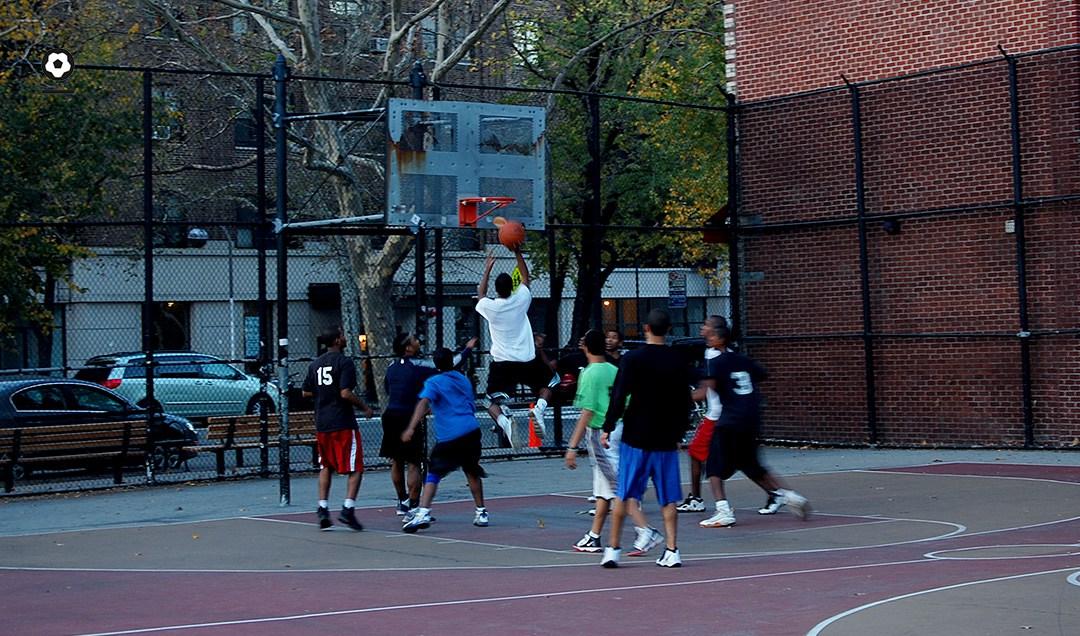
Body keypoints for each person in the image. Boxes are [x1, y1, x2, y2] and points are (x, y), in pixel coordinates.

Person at [599, 309, 693, 568]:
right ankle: (672, 550)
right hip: (665, 437)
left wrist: (608, 426)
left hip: (636, 436)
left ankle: (612, 549)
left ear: (645, 328)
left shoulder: (633, 359)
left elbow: (619, 395)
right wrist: (680, 431)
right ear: (669, 329)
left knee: (624, 493)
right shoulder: (678, 360)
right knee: (668, 496)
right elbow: (684, 402)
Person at [699, 323, 810, 528]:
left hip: (729, 420)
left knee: (713, 467)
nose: (709, 339)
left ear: (721, 339)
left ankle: (723, 511)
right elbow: (761, 374)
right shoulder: (743, 360)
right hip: (750, 419)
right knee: (751, 464)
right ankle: (790, 495)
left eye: (712, 335)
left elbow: (705, 391)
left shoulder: (716, 363)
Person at [564, 329, 655, 553]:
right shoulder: (614, 370)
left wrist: (572, 447)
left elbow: (587, 411)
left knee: (617, 487)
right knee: (603, 487)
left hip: (601, 433)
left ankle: (645, 529)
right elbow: (627, 400)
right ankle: (594, 535)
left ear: (585, 346)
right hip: (620, 427)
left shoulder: (589, 373)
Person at [381, 333, 477, 515]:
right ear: (408, 348)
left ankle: (402, 501)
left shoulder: (391, 366)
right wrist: (468, 349)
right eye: (414, 339)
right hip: (408, 415)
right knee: (414, 461)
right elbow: (450, 363)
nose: (418, 341)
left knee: (396, 459)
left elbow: (388, 388)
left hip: (391, 414)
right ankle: (414, 504)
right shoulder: (419, 364)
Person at [476, 248, 558, 447]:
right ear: (511, 287)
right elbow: (526, 278)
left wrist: (487, 270)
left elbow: (480, 294)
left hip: (503, 363)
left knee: (489, 402)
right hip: (527, 359)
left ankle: (504, 422)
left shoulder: (490, 307)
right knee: (549, 384)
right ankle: (539, 408)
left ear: (497, 290)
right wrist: (517, 252)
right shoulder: (521, 299)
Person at [400, 347, 489, 533]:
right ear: (452, 361)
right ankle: (481, 512)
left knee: (433, 473)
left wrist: (411, 427)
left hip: (451, 434)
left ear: (435, 363)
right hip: (471, 429)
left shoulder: (434, 382)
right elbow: (463, 403)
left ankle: (423, 512)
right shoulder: (463, 380)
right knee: (471, 470)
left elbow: (424, 403)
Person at [302, 326, 375, 531]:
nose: (345, 338)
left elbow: (306, 392)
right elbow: (345, 393)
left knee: (326, 465)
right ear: (336, 341)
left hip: (322, 422)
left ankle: (323, 508)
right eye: (342, 335)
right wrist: (365, 407)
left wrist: (322, 392)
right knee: (355, 467)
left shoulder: (315, 364)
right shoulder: (344, 362)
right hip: (342, 421)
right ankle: (347, 508)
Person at [677, 316, 728, 513]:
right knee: (703, 456)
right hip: (722, 414)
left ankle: (715, 505)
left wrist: (681, 398)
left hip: (717, 415)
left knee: (702, 457)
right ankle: (775, 492)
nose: (702, 326)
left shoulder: (715, 357)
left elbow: (706, 389)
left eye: (706, 324)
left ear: (716, 333)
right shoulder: (714, 352)